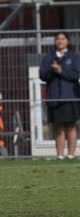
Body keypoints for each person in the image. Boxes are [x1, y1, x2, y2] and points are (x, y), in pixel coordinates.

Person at [39, 31, 80, 159]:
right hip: (54, 96)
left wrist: (61, 70)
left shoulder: (74, 57)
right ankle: (60, 155)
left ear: (67, 41)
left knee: (71, 125)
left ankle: (71, 155)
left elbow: (75, 76)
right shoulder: (48, 58)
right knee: (59, 126)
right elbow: (43, 76)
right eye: (58, 39)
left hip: (70, 96)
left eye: (63, 39)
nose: (60, 41)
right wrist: (53, 70)